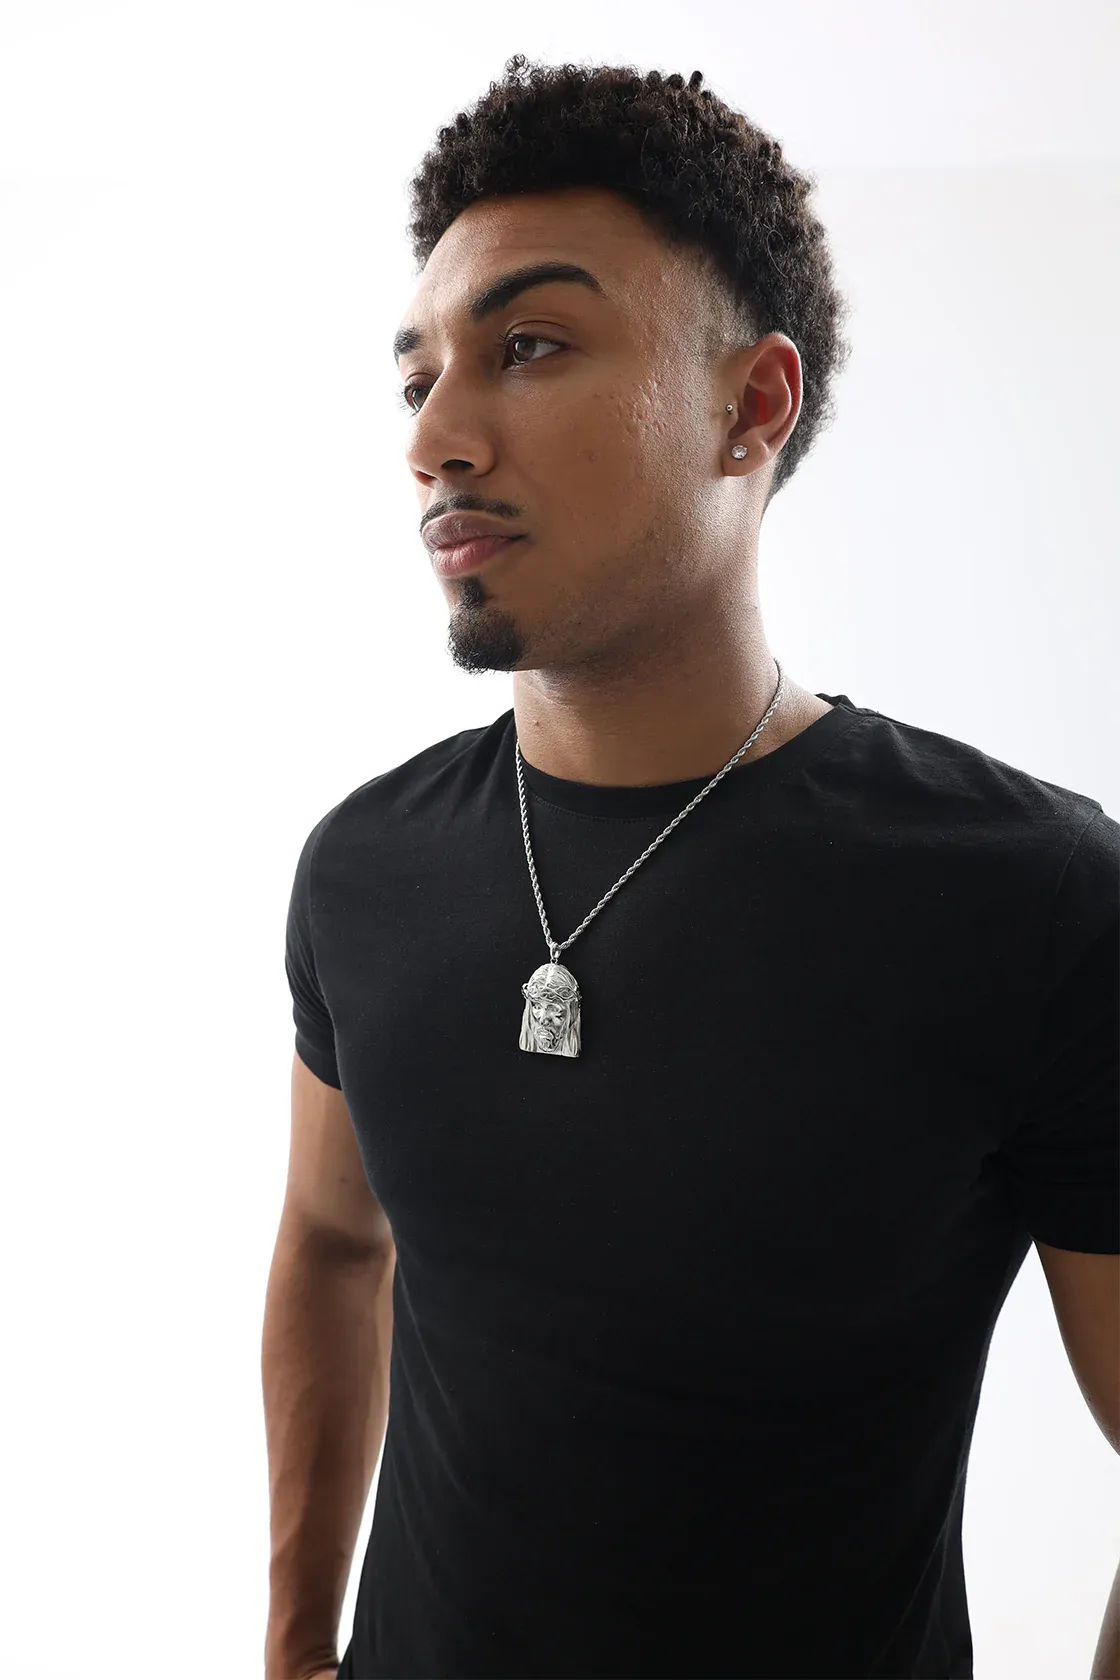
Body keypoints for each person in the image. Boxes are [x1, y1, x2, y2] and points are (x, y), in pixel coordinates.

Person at [261, 55, 1120, 1680]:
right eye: (417, 376)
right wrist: (296, 1645)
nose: (435, 437)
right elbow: (329, 1241)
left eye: (528, 346)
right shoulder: (364, 869)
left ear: (752, 405)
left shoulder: (1032, 899)